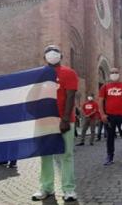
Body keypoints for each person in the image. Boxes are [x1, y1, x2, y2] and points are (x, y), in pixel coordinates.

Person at [32, 45, 78, 202]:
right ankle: (46, 187)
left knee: (66, 155)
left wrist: (65, 119)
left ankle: (69, 189)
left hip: (65, 121)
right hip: (45, 121)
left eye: (56, 50)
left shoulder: (69, 73)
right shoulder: (39, 74)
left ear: (61, 55)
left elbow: (71, 96)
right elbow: (33, 95)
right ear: (44, 57)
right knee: (45, 154)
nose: (52, 53)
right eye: (48, 51)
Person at [98, 67, 122, 165]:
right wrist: (102, 114)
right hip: (109, 116)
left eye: (116, 72)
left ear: (119, 74)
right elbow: (100, 102)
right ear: (109, 74)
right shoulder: (104, 87)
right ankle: (109, 156)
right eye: (112, 72)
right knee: (109, 137)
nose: (114, 74)